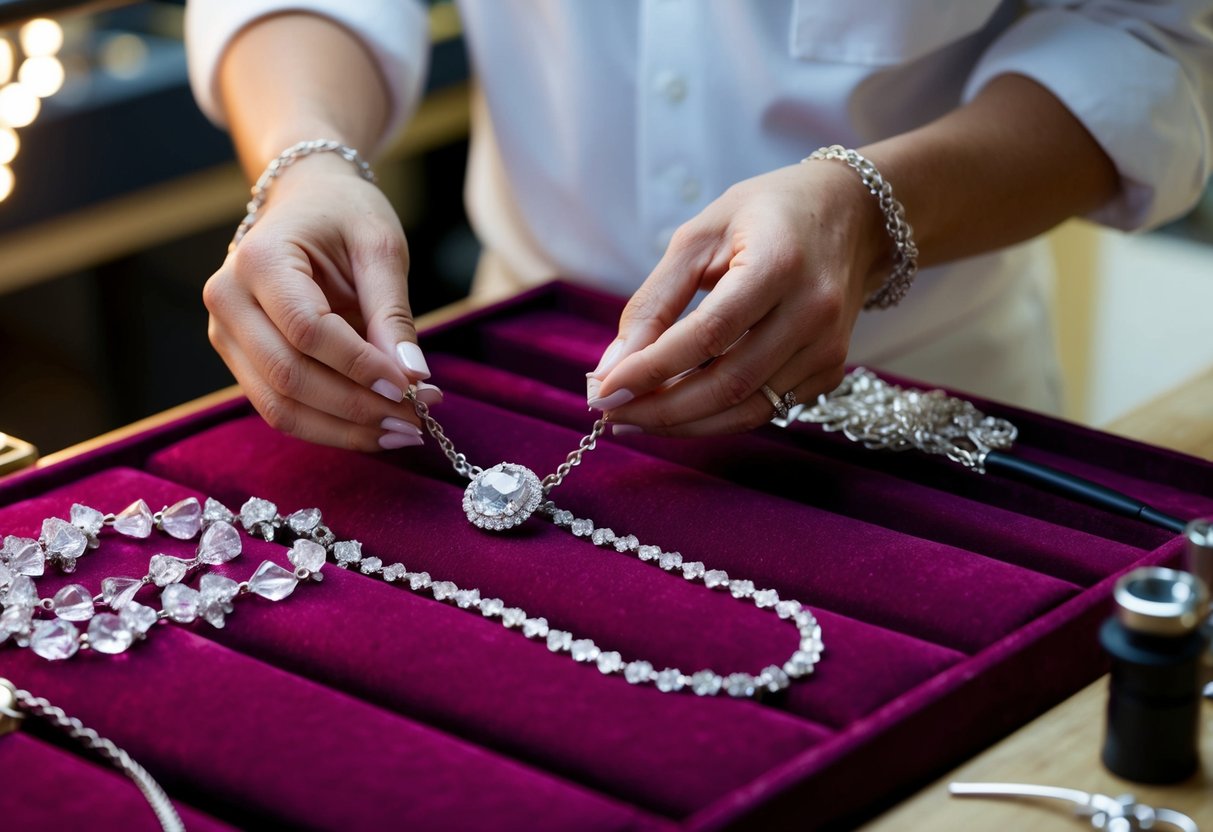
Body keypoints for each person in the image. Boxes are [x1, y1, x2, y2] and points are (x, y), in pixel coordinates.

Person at [185, 2, 1213, 451]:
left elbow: (1149, 43)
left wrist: (866, 212)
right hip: (514, 375)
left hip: (924, 399)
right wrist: (305, 155)